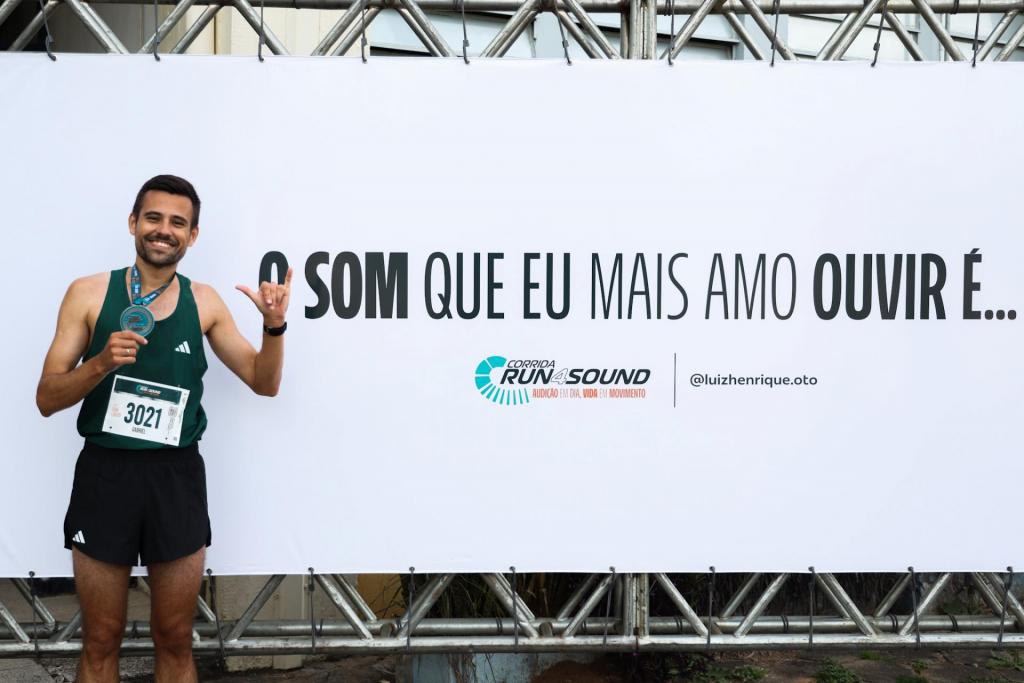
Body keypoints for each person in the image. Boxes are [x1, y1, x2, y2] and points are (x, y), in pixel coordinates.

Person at [35, 174, 292, 683]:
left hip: (175, 477)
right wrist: (101, 362)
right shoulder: (88, 294)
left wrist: (274, 327)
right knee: (101, 638)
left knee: (175, 638)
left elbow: (264, 383)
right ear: (134, 223)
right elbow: (46, 398)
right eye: (154, 218)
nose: (164, 230)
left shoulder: (206, 302)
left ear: (192, 236)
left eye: (178, 222)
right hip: (105, 475)